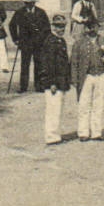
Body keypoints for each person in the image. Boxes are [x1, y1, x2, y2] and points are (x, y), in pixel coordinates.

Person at [69, 14, 104, 142]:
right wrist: (74, 79)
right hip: (86, 77)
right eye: (88, 27)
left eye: (93, 27)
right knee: (84, 105)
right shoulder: (79, 44)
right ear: (84, 28)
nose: (91, 29)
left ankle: (96, 132)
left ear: (97, 27)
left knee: (98, 105)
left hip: (101, 75)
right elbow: (74, 62)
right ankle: (83, 132)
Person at [34, 14, 72, 145]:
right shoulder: (50, 42)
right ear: (52, 26)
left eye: (63, 26)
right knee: (53, 109)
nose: (61, 29)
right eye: (58, 26)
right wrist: (52, 83)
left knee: (58, 109)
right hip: (53, 83)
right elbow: (47, 64)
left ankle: (55, 134)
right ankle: (51, 136)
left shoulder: (61, 41)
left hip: (61, 81)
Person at [9, 0, 51, 93]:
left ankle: (39, 86)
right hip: (25, 43)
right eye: (27, 3)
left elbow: (47, 28)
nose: (29, 5)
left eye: (31, 3)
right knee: (24, 65)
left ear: (34, 3)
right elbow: (12, 25)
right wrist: (15, 39)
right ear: (24, 3)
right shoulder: (19, 12)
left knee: (39, 64)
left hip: (38, 43)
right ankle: (23, 87)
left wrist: (44, 40)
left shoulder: (41, 13)